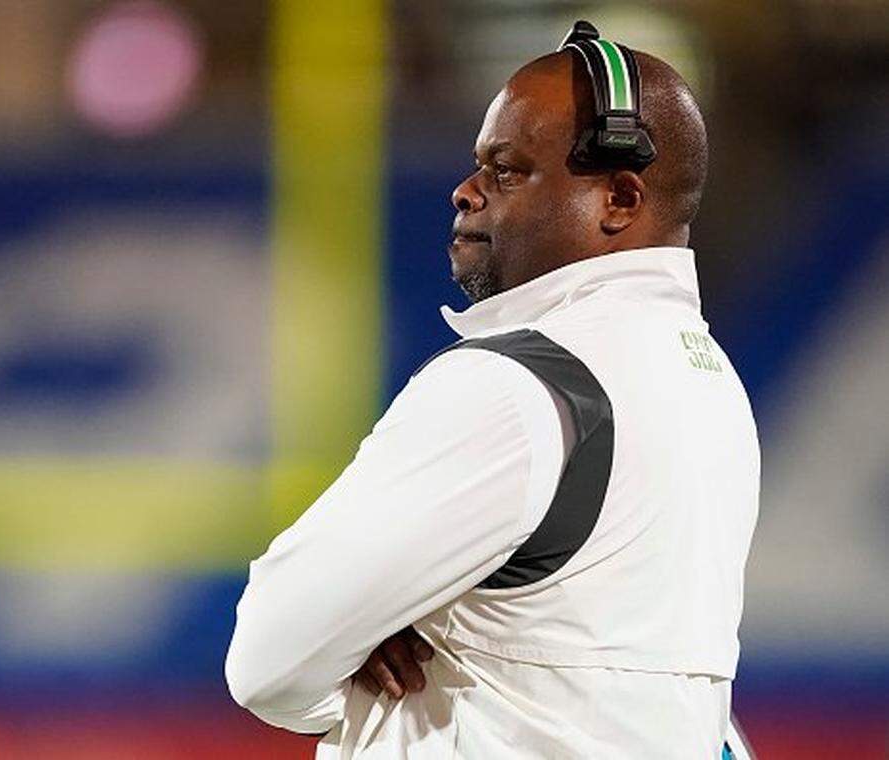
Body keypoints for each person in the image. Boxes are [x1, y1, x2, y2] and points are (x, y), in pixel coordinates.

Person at [226, 24, 759, 759]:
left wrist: (357, 660)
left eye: (507, 171)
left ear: (619, 197)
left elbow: (266, 658)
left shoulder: (514, 386)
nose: (467, 191)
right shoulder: (709, 383)